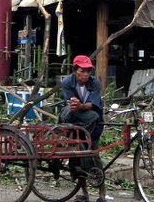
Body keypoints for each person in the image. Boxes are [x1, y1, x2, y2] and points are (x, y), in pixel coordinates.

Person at [59, 55, 105, 202]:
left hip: (92, 125)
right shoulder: (67, 82)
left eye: (88, 71)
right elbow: (70, 104)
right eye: (82, 71)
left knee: (94, 156)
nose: (85, 74)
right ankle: (84, 193)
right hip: (74, 122)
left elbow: (93, 104)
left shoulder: (95, 83)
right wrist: (74, 106)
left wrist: (80, 106)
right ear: (75, 70)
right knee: (77, 159)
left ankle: (101, 194)